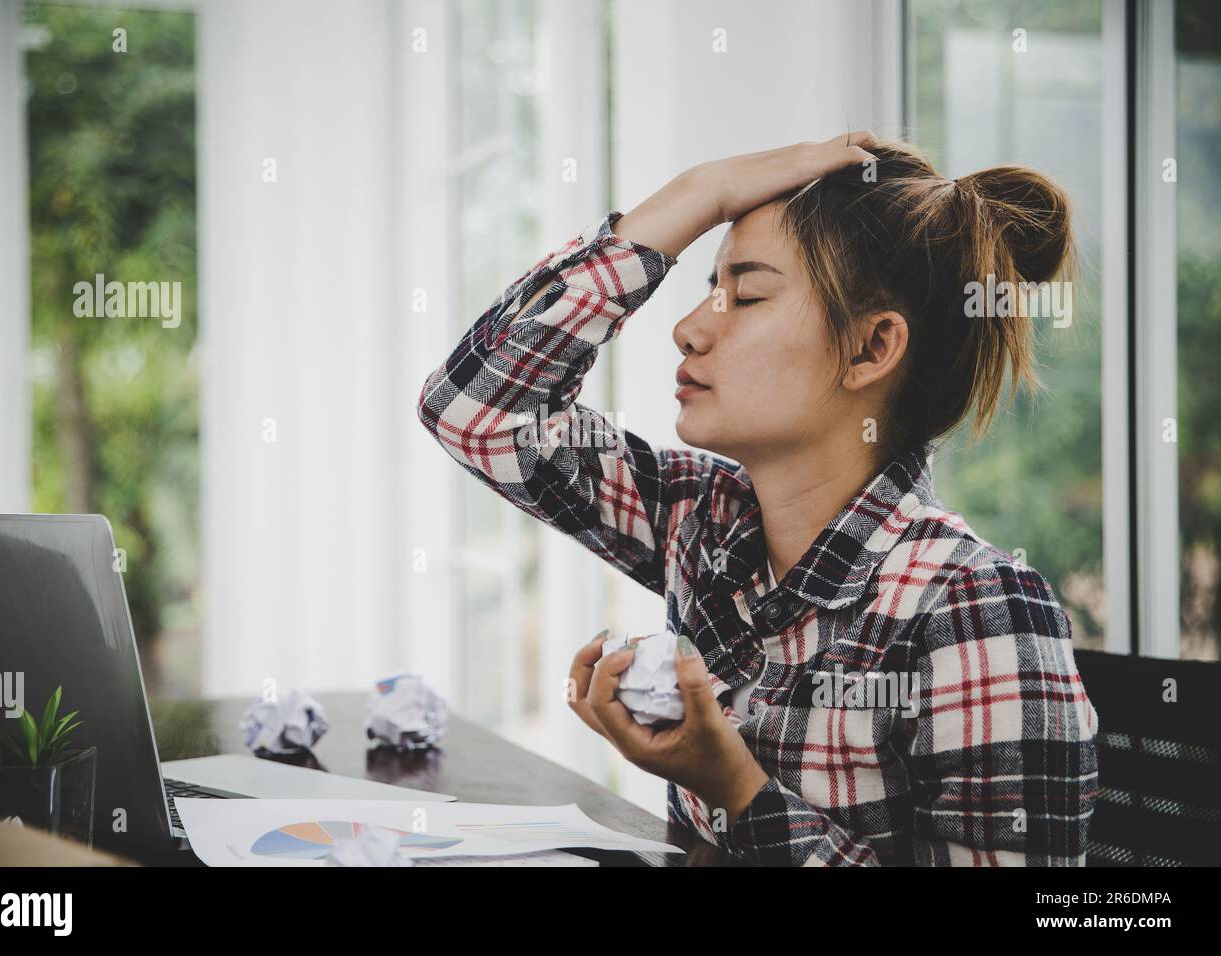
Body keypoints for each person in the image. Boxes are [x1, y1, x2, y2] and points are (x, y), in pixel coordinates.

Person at [417, 132, 1099, 865]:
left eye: (744, 294)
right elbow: (477, 411)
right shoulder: (702, 526)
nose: (688, 330)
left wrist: (738, 789)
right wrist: (697, 193)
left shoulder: (973, 610)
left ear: (872, 348)